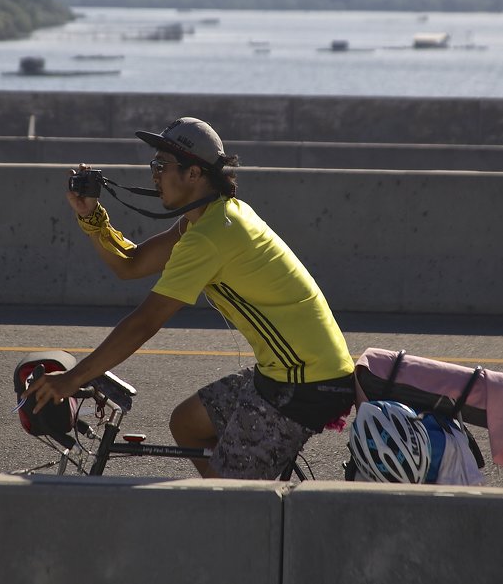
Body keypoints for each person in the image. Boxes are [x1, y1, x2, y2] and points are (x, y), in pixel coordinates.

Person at [25, 116, 356, 479]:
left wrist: (73, 379)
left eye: (162, 165)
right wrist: (93, 218)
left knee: (230, 498)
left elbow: (145, 321)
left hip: (306, 383)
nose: (154, 174)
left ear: (195, 174)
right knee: (186, 424)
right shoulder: (207, 219)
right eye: (154, 164)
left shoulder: (210, 237)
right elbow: (131, 264)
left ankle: (237, 517)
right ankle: (234, 504)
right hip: (286, 372)